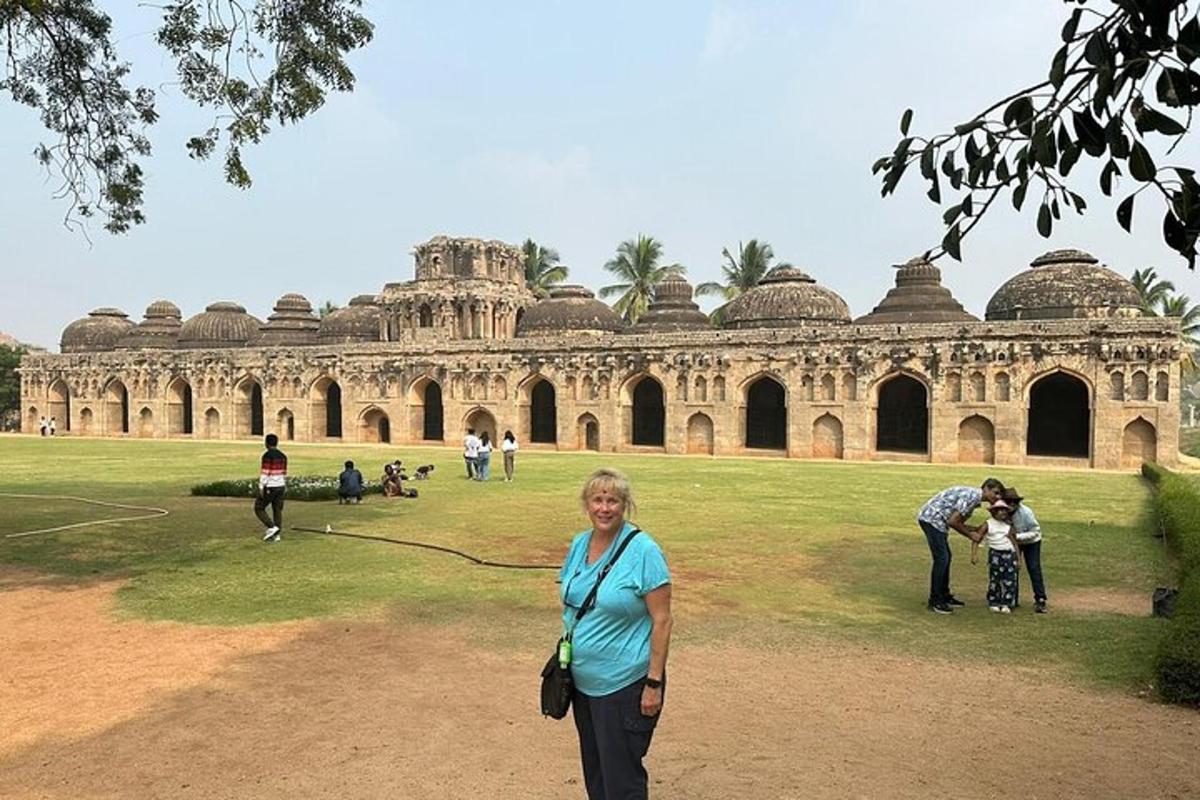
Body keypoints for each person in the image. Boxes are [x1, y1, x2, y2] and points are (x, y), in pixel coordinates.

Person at [559, 468, 672, 800]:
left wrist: (653, 683)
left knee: (622, 781)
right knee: (596, 774)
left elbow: (662, 620)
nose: (604, 508)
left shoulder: (644, 551)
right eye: (598, 500)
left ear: (625, 506)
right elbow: (571, 597)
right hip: (584, 684)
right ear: (587, 504)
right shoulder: (580, 544)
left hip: (625, 684)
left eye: (613, 501)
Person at [916, 478, 1005, 614]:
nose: (997, 497)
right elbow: (953, 522)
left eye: (1000, 495)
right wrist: (971, 535)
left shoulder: (974, 500)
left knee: (946, 557)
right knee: (942, 559)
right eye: (996, 493)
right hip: (931, 519)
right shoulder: (971, 496)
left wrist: (973, 529)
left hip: (938, 521)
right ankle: (935, 601)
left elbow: (958, 521)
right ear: (986, 488)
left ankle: (944, 595)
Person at [971, 499, 1022, 613]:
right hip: (995, 553)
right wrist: (974, 554)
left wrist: (1018, 559)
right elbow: (977, 538)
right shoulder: (988, 524)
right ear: (994, 512)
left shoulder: (1008, 526)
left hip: (1008, 554)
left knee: (1009, 579)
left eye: (1005, 511)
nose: (1003, 513)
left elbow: (1014, 543)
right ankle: (994, 601)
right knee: (995, 579)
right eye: (1000, 511)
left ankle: (1006, 603)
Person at [1003, 488, 1048, 613]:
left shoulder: (1026, 513)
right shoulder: (1001, 512)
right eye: (1009, 502)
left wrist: (1017, 537)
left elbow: (1036, 531)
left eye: (1014, 502)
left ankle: (1040, 599)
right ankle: (1012, 598)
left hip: (1031, 542)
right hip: (1013, 542)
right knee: (1012, 568)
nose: (1012, 505)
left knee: (1033, 568)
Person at [254, 433, 287, 542]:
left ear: (266, 443)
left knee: (259, 508)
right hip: (281, 485)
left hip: (270, 486)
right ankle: (277, 535)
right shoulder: (283, 456)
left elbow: (265, 472)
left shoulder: (267, 455)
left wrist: (261, 486)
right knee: (277, 510)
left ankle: (272, 527)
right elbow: (284, 472)